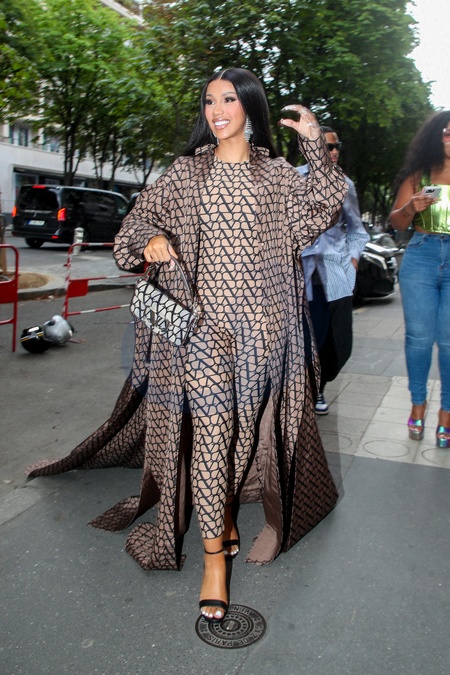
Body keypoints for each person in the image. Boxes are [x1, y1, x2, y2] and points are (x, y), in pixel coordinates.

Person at [26, 68, 347, 623]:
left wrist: (314, 144)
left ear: (249, 107)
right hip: (198, 328)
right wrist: (151, 239)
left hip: (261, 329)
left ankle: (235, 514)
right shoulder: (185, 173)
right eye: (209, 101)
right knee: (212, 437)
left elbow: (323, 208)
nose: (216, 110)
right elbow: (129, 235)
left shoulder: (276, 175)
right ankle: (213, 558)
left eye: (229, 99)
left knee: (242, 439)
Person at [389, 110, 450, 448]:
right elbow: (397, 222)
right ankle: (417, 405)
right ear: (435, 136)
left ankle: (447, 414)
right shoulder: (419, 175)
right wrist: (412, 207)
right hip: (422, 255)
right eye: (447, 132)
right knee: (419, 339)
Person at [298, 127, 369, 414]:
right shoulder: (292, 180)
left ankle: (320, 383)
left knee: (338, 342)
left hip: (335, 272)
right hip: (301, 274)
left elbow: (357, 230)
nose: (335, 151)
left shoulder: (345, 185)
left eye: (337, 145)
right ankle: (310, 391)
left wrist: (353, 260)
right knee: (306, 338)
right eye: (328, 146)